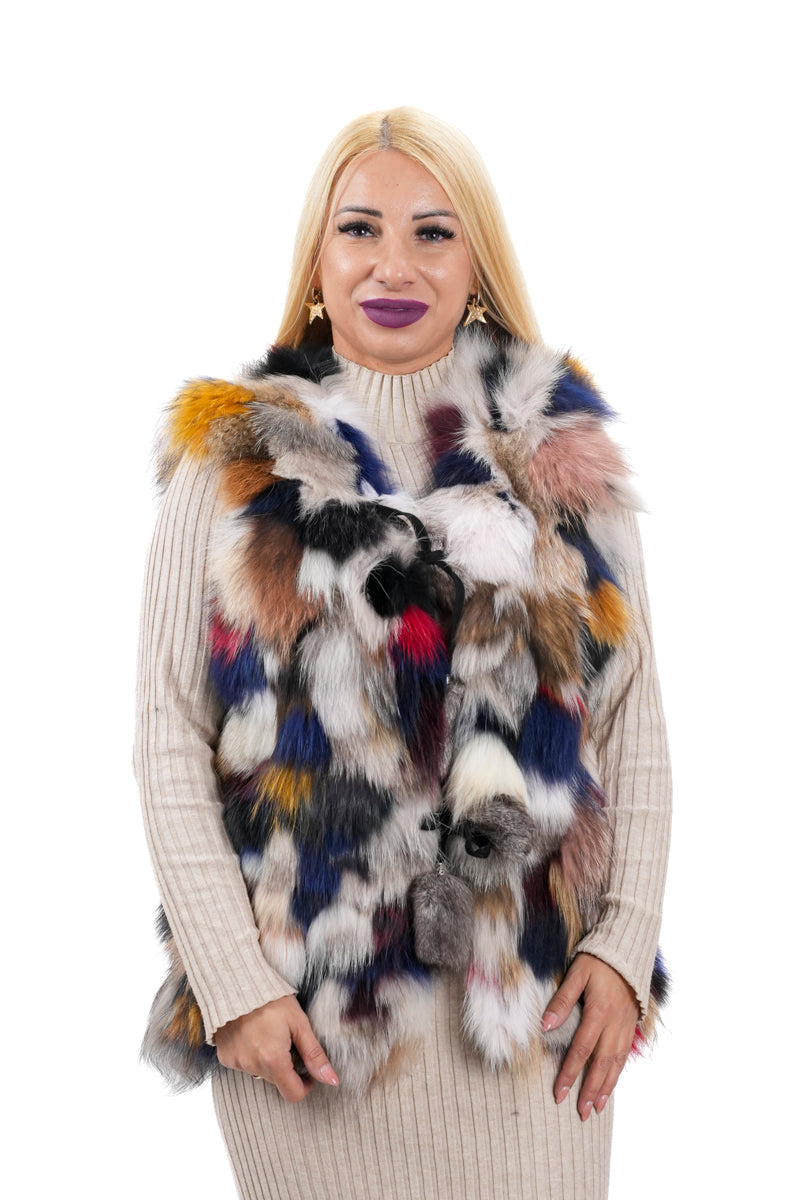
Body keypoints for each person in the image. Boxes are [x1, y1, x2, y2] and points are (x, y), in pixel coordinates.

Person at [136, 107, 671, 1200]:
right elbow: (166, 736)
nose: (393, 264)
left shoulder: (556, 453)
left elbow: (633, 723)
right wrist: (233, 984)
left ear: (474, 263)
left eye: (432, 232)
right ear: (316, 259)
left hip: (528, 1018)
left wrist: (622, 949)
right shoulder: (233, 459)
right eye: (359, 229)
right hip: (308, 1028)